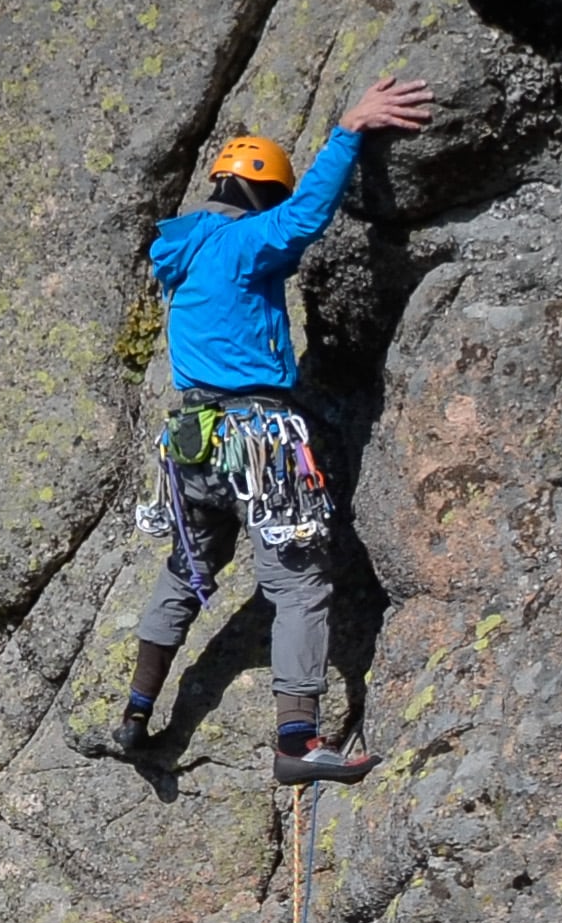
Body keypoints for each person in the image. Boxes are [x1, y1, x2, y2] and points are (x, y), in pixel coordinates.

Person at [79, 76, 435, 785]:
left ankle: (135, 713)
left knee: (188, 568)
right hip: (254, 437)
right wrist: (349, 132)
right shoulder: (244, 244)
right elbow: (302, 219)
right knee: (301, 585)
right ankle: (297, 745)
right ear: (260, 194)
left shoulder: (184, 250)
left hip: (193, 440)